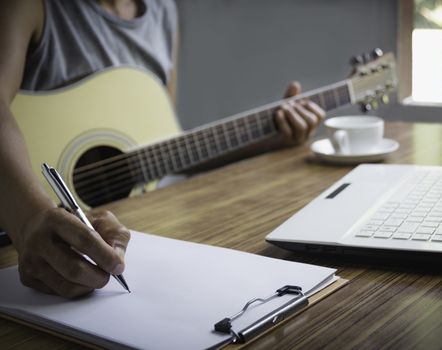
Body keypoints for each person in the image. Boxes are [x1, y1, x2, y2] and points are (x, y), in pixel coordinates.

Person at [0, 0, 325, 299]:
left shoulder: (162, 9)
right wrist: (30, 219)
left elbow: (164, 146)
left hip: (136, 237)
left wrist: (267, 140)